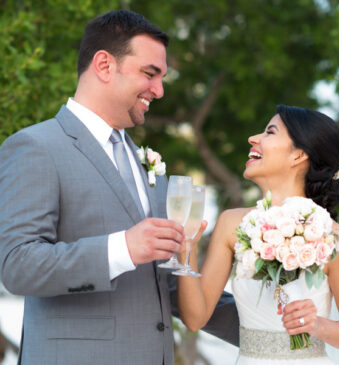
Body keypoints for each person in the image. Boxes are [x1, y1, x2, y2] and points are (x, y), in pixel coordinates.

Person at [0, 10, 239, 365]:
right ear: (104, 65)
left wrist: (271, 328)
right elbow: (17, 265)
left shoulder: (145, 162)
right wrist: (122, 248)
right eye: (150, 74)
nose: (159, 90)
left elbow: (164, 284)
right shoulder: (36, 146)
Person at [177, 105, 339, 364]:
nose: (253, 139)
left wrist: (320, 326)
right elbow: (195, 318)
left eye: (270, 132)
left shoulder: (333, 237)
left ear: (298, 155)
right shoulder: (231, 224)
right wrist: (185, 250)